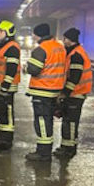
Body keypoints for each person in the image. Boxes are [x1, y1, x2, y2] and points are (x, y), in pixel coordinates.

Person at [24, 23, 66, 162]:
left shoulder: (40, 50)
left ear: (38, 35)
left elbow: (35, 70)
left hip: (42, 91)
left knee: (42, 122)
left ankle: (43, 153)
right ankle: (45, 150)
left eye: (34, 34)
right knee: (48, 121)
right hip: (55, 90)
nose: (33, 36)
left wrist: (26, 67)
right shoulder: (59, 47)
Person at [56, 27, 92, 159]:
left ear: (69, 40)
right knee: (67, 121)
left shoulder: (76, 55)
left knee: (71, 122)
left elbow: (74, 77)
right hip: (74, 94)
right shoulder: (72, 53)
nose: (63, 41)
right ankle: (65, 146)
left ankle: (69, 149)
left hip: (76, 94)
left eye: (64, 39)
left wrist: (65, 93)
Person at [0, 20, 22, 152]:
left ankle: (6, 140)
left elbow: (11, 69)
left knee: (7, 113)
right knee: (2, 112)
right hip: (2, 86)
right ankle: (1, 139)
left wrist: (4, 86)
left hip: (7, 87)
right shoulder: (3, 47)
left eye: (0, 31)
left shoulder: (12, 47)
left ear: (7, 33)